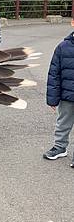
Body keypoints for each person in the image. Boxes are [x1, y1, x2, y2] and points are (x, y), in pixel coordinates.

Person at [43, 17, 74, 167]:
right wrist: (53, 99)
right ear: (73, 22)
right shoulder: (63, 47)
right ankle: (60, 147)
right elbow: (54, 74)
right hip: (67, 95)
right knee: (63, 122)